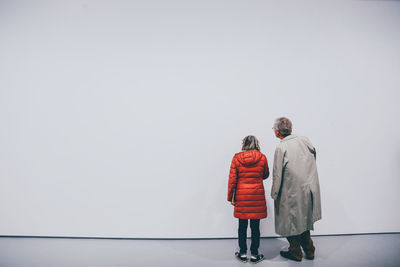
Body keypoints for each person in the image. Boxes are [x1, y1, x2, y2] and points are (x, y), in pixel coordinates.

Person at [271, 117, 322, 261]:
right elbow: (314, 155)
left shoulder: (281, 148)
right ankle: (309, 250)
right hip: (308, 187)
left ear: (277, 131)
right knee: (304, 219)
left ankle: (295, 252)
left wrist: (274, 193)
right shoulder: (304, 140)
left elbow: (277, 173)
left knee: (291, 222)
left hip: (290, 190)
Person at [227, 135, 269, 264]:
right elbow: (265, 174)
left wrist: (230, 197)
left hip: (242, 196)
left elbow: (232, 179)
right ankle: (255, 254)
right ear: (256, 143)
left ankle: (243, 253)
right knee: (255, 227)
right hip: (257, 195)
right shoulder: (262, 157)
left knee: (242, 226)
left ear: (244, 143)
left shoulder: (237, 158)